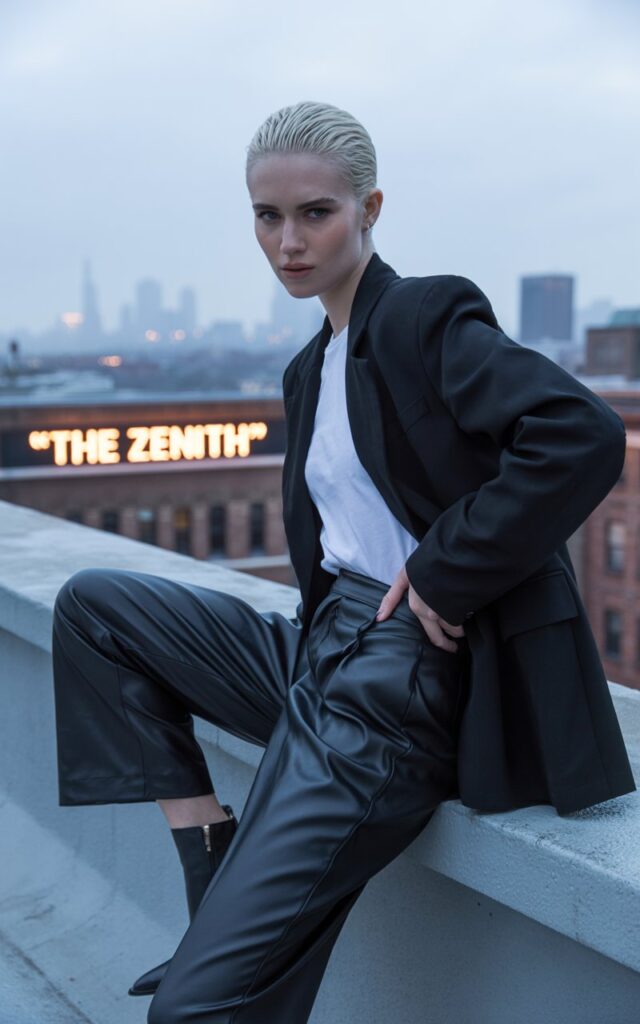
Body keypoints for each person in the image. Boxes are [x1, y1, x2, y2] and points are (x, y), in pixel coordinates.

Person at [51, 100, 634, 1023]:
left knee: (195, 1009)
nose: (288, 241)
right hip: (324, 649)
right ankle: (209, 852)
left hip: (398, 686)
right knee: (94, 608)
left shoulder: (420, 314)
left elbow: (581, 434)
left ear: (370, 210)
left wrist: (447, 568)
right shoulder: (310, 366)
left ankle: (219, 943)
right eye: (267, 216)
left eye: (315, 213)